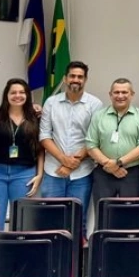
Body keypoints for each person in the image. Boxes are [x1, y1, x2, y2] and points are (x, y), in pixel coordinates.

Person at [39, 61, 103, 235]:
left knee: (78, 220)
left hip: (82, 172)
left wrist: (72, 163)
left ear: (85, 80)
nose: (76, 80)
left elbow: (94, 138)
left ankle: (77, 261)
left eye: (80, 77)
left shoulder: (95, 104)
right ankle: (52, 260)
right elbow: (44, 135)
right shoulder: (51, 103)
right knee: (51, 219)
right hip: (54, 171)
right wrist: (63, 159)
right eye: (72, 76)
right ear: (65, 79)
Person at [0, 79, 44, 229]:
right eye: (13, 92)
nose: (17, 96)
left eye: (22, 92)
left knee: (21, 219)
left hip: (24, 173)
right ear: (7, 95)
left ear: (27, 95)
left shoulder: (35, 117)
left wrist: (39, 174)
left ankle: (17, 251)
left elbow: (40, 148)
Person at [86, 78, 139, 209]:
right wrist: (107, 164)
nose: (120, 96)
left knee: (130, 214)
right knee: (103, 213)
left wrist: (118, 163)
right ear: (110, 94)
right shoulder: (99, 116)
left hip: (131, 173)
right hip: (103, 172)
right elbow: (91, 145)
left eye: (124, 92)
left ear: (132, 94)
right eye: (116, 92)